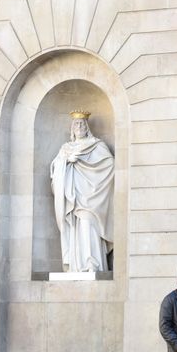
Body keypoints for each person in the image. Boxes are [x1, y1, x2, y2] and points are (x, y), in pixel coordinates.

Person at [50, 110, 114, 272]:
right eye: (76, 124)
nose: (79, 126)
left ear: (87, 127)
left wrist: (85, 161)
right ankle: (77, 265)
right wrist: (66, 162)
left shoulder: (97, 144)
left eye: (81, 124)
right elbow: (54, 172)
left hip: (92, 197)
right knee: (76, 229)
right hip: (73, 197)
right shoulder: (65, 148)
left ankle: (92, 264)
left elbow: (109, 165)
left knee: (88, 226)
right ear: (72, 128)